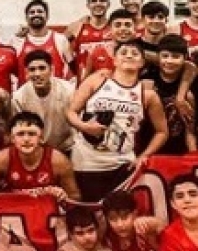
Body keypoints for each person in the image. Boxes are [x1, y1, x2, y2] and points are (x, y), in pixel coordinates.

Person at [67, 41, 167, 202]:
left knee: (119, 214)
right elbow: (70, 112)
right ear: (114, 60)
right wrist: (84, 126)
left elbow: (162, 132)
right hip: (86, 160)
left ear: (142, 62)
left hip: (122, 163)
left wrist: (144, 156)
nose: (129, 55)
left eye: (134, 53)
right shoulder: (97, 80)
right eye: (124, 52)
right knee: (92, 214)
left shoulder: (147, 94)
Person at [0, 111, 80, 201]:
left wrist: (63, 196)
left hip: (46, 215)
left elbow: (75, 198)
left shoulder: (58, 161)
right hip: (12, 215)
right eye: (20, 134)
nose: (26, 139)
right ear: (12, 139)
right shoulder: (1, 159)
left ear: (41, 137)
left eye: (32, 134)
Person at [139, 35, 194, 155]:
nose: (169, 61)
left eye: (175, 57)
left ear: (184, 58)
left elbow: (190, 130)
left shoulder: (190, 83)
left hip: (179, 148)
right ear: (158, 57)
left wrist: (192, 156)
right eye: (165, 56)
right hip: (148, 144)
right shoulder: (148, 77)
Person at [12, 50, 75, 155]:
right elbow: (21, 131)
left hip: (67, 148)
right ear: (26, 72)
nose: (37, 74)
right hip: (36, 151)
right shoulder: (19, 97)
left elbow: (76, 125)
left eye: (42, 68)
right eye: (32, 69)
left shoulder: (68, 90)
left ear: (51, 70)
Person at [11, 0, 74, 81]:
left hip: (55, 93)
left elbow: (73, 70)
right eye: (32, 12)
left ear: (47, 16)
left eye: (40, 11)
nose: (36, 14)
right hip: (26, 92)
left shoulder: (60, 39)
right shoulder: (16, 41)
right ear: (26, 18)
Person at [65, 0, 111, 79]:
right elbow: (63, 50)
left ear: (108, 4)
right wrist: (74, 71)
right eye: (94, 1)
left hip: (110, 82)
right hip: (84, 81)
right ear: (88, 5)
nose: (98, 4)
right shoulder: (76, 27)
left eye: (102, 0)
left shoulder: (115, 27)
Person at [80, 8, 137, 81]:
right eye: (118, 25)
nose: (123, 28)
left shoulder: (141, 54)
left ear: (134, 28)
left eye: (127, 25)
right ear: (109, 28)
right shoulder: (96, 52)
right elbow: (84, 84)